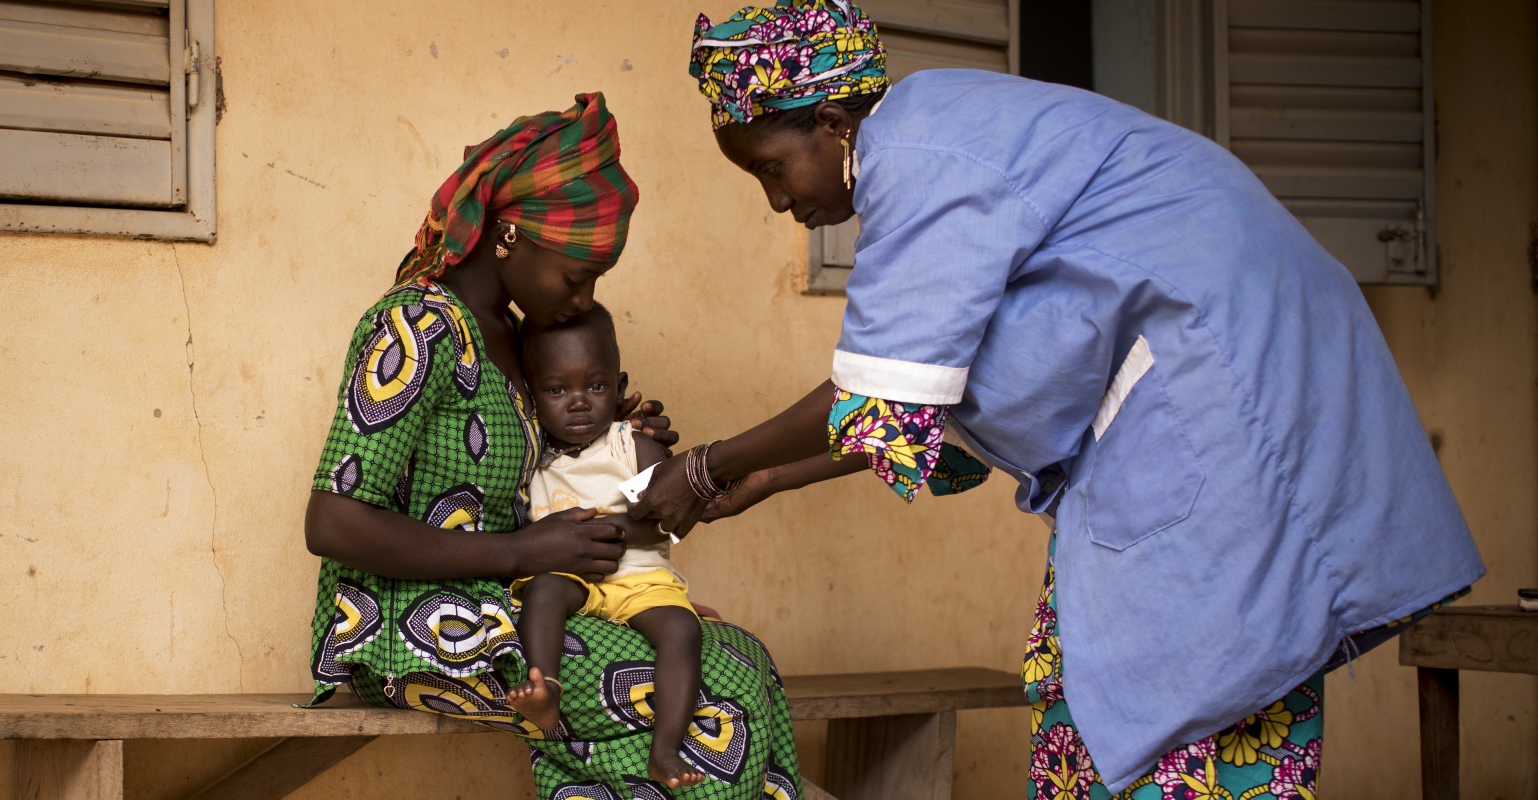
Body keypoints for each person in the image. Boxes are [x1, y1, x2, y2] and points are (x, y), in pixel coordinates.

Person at [633, 2, 1487, 797]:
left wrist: (706, 470)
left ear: (830, 124)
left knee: (1197, 691)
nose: (781, 201)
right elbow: (948, 391)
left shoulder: (918, 156)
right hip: (1210, 396)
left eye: (772, 170)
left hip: (1227, 405)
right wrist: (771, 480)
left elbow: (880, 390)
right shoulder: (944, 132)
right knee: (1086, 673)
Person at [302, 92, 804, 799]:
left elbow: (530, 484)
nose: (584, 296)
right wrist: (521, 553)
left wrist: (618, 437)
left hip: (518, 602)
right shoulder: (416, 324)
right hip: (412, 622)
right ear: (509, 236)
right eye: (576, 274)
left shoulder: (514, 336)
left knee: (740, 657)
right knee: (718, 694)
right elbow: (331, 523)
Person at [504, 305, 706, 790]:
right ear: (532, 394)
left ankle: (665, 750)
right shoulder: (531, 454)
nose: (578, 403)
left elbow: (663, 520)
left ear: (619, 388)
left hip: (638, 579)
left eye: (594, 387)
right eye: (556, 390)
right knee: (544, 592)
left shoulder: (633, 445)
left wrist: (601, 533)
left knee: (681, 629)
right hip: (570, 579)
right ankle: (544, 688)